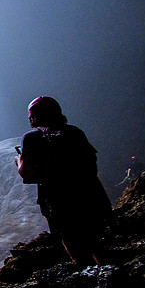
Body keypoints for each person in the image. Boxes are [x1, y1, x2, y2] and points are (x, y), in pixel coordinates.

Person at [16, 96, 111, 265]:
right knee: (99, 246)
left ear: (33, 117)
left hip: (59, 201)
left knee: (77, 253)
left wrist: (19, 161)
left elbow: (26, 173)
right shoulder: (75, 132)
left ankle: (92, 282)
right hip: (91, 195)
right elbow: (91, 164)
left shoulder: (32, 138)